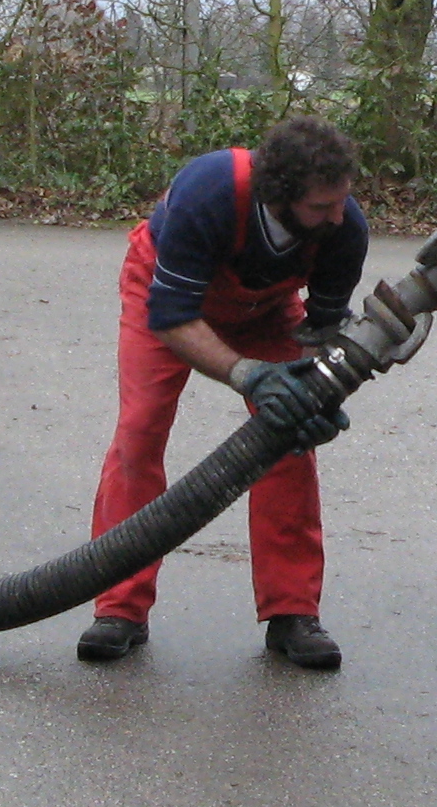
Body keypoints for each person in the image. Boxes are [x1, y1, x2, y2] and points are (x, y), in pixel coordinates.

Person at [77, 116, 365, 670]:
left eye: (341, 202)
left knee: (289, 444)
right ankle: (119, 608)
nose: (337, 216)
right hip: (165, 301)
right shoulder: (209, 191)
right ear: (279, 197)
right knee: (139, 434)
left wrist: (316, 397)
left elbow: (321, 331)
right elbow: (171, 317)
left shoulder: (344, 229)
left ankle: (292, 613)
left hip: (267, 307)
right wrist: (248, 374)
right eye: (320, 207)